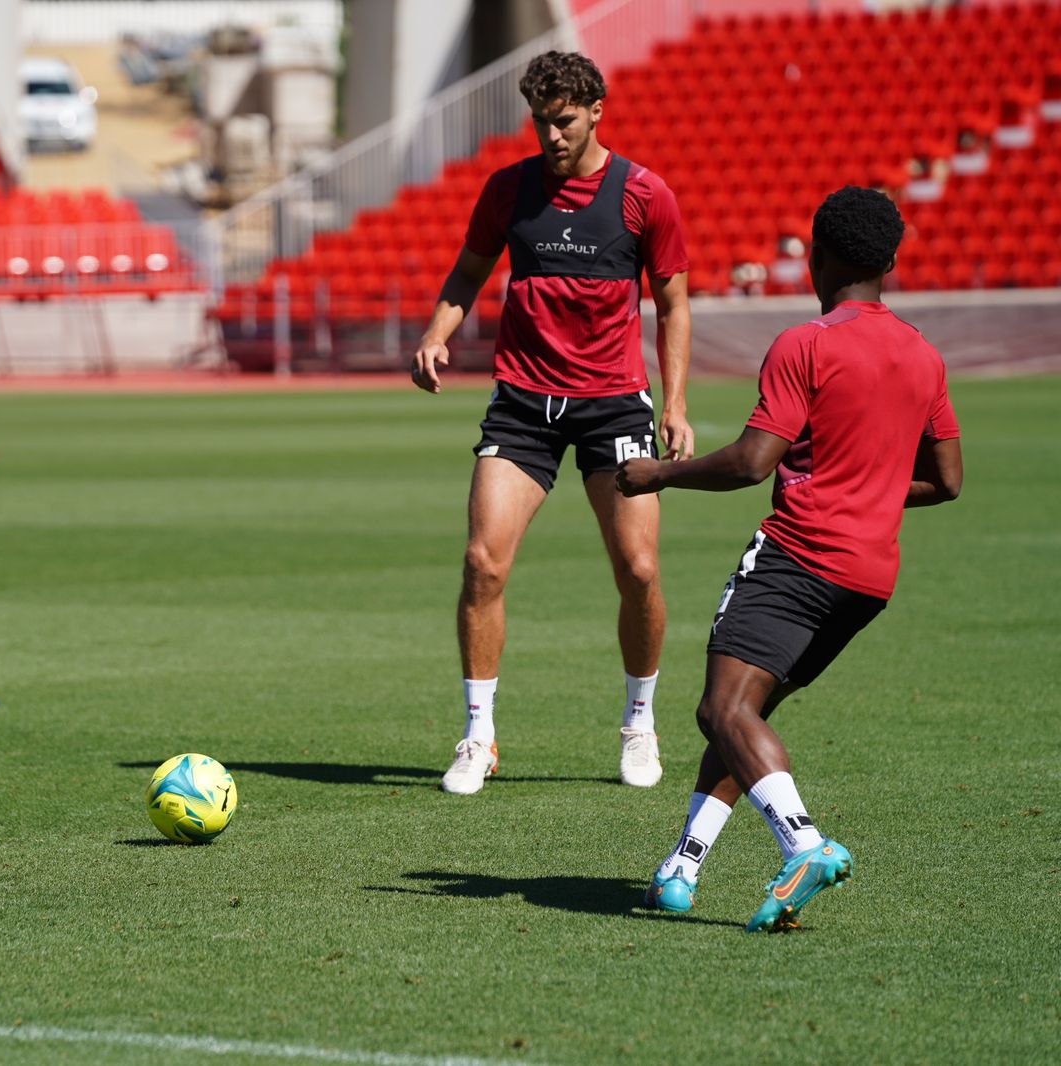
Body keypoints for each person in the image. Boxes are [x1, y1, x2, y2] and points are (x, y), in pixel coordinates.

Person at [617, 186, 962, 931]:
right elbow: (948, 480)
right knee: (745, 715)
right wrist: (868, 490)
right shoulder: (923, 355)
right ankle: (681, 867)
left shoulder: (807, 344)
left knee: (723, 707)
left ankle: (803, 844)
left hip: (800, 554)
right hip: (869, 578)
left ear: (819, 255)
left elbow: (750, 462)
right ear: (892, 262)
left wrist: (658, 474)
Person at [411, 51, 694, 794]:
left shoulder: (645, 195)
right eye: (540, 121)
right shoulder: (508, 190)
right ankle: (478, 737)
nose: (551, 135)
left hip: (614, 405)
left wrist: (677, 406)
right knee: (482, 563)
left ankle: (639, 720)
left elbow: (673, 305)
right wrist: (438, 332)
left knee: (638, 570)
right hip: (523, 403)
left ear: (598, 110)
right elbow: (467, 274)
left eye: (564, 121)